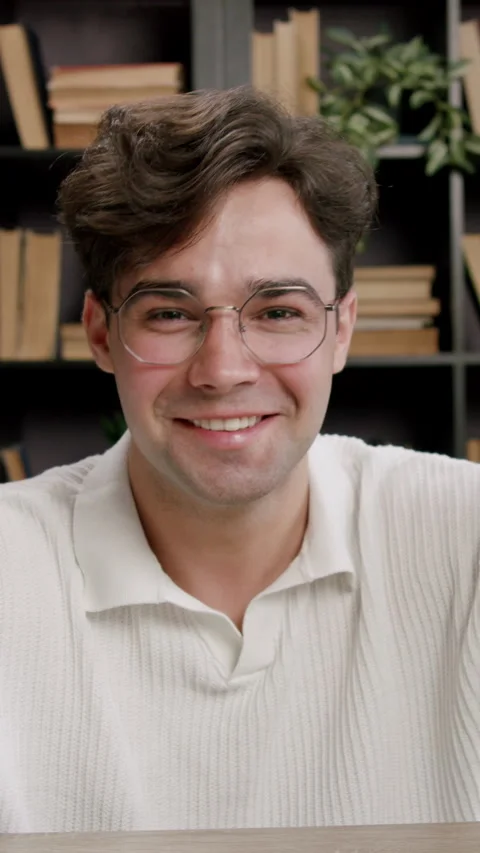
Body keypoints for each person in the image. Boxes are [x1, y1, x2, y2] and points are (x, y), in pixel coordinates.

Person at [0, 85, 479, 835]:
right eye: (169, 312)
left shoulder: (465, 537)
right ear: (99, 333)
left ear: (342, 330)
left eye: (279, 311)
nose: (223, 369)